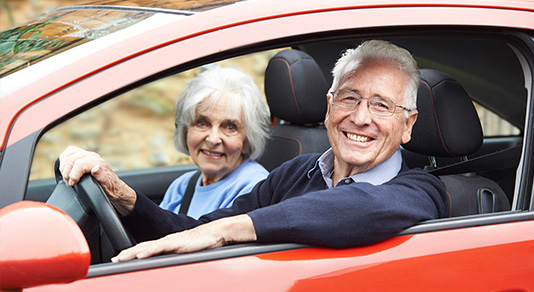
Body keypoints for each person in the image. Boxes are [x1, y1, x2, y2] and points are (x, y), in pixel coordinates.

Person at [59, 40, 448, 262]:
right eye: (349, 98)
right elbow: (196, 233)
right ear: (329, 108)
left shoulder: (421, 191)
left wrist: (231, 231)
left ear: (409, 125)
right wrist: (122, 196)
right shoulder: (297, 172)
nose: (361, 117)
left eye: (381, 105)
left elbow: (361, 206)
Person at [60, 66, 271, 220]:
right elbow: (158, 235)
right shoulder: (183, 185)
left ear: (247, 139)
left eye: (230, 127)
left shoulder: (254, 187)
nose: (213, 139)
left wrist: (122, 194)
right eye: (202, 123)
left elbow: (203, 244)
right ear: (186, 129)